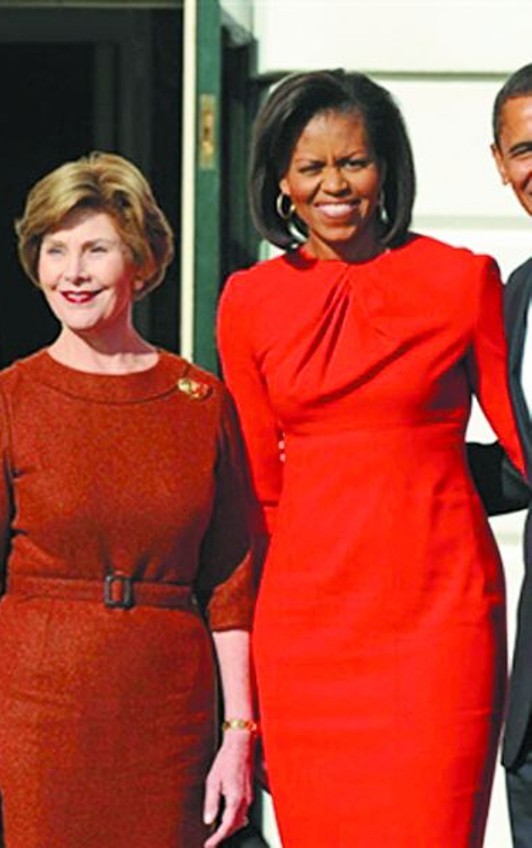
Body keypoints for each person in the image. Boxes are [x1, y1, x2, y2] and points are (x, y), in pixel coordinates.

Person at [216, 68, 526, 847]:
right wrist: (243, 684)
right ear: (280, 182)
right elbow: (257, 494)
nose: (334, 185)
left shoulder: (462, 281)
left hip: (441, 620)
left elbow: (525, 446)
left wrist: (437, 483)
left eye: (353, 161)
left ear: (386, 167)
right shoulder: (248, 301)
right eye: (311, 166)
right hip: (307, 628)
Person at [0, 151, 257, 848]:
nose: (72, 273)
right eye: (55, 250)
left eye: (96, 250)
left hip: (168, 720)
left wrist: (238, 735)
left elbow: (231, 587)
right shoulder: (8, 399)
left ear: (141, 260)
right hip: (31, 720)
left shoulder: (200, 403)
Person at [467, 63, 532, 847]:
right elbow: (523, 468)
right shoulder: (516, 295)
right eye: (524, 150)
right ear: (500, 163)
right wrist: (393, 463)